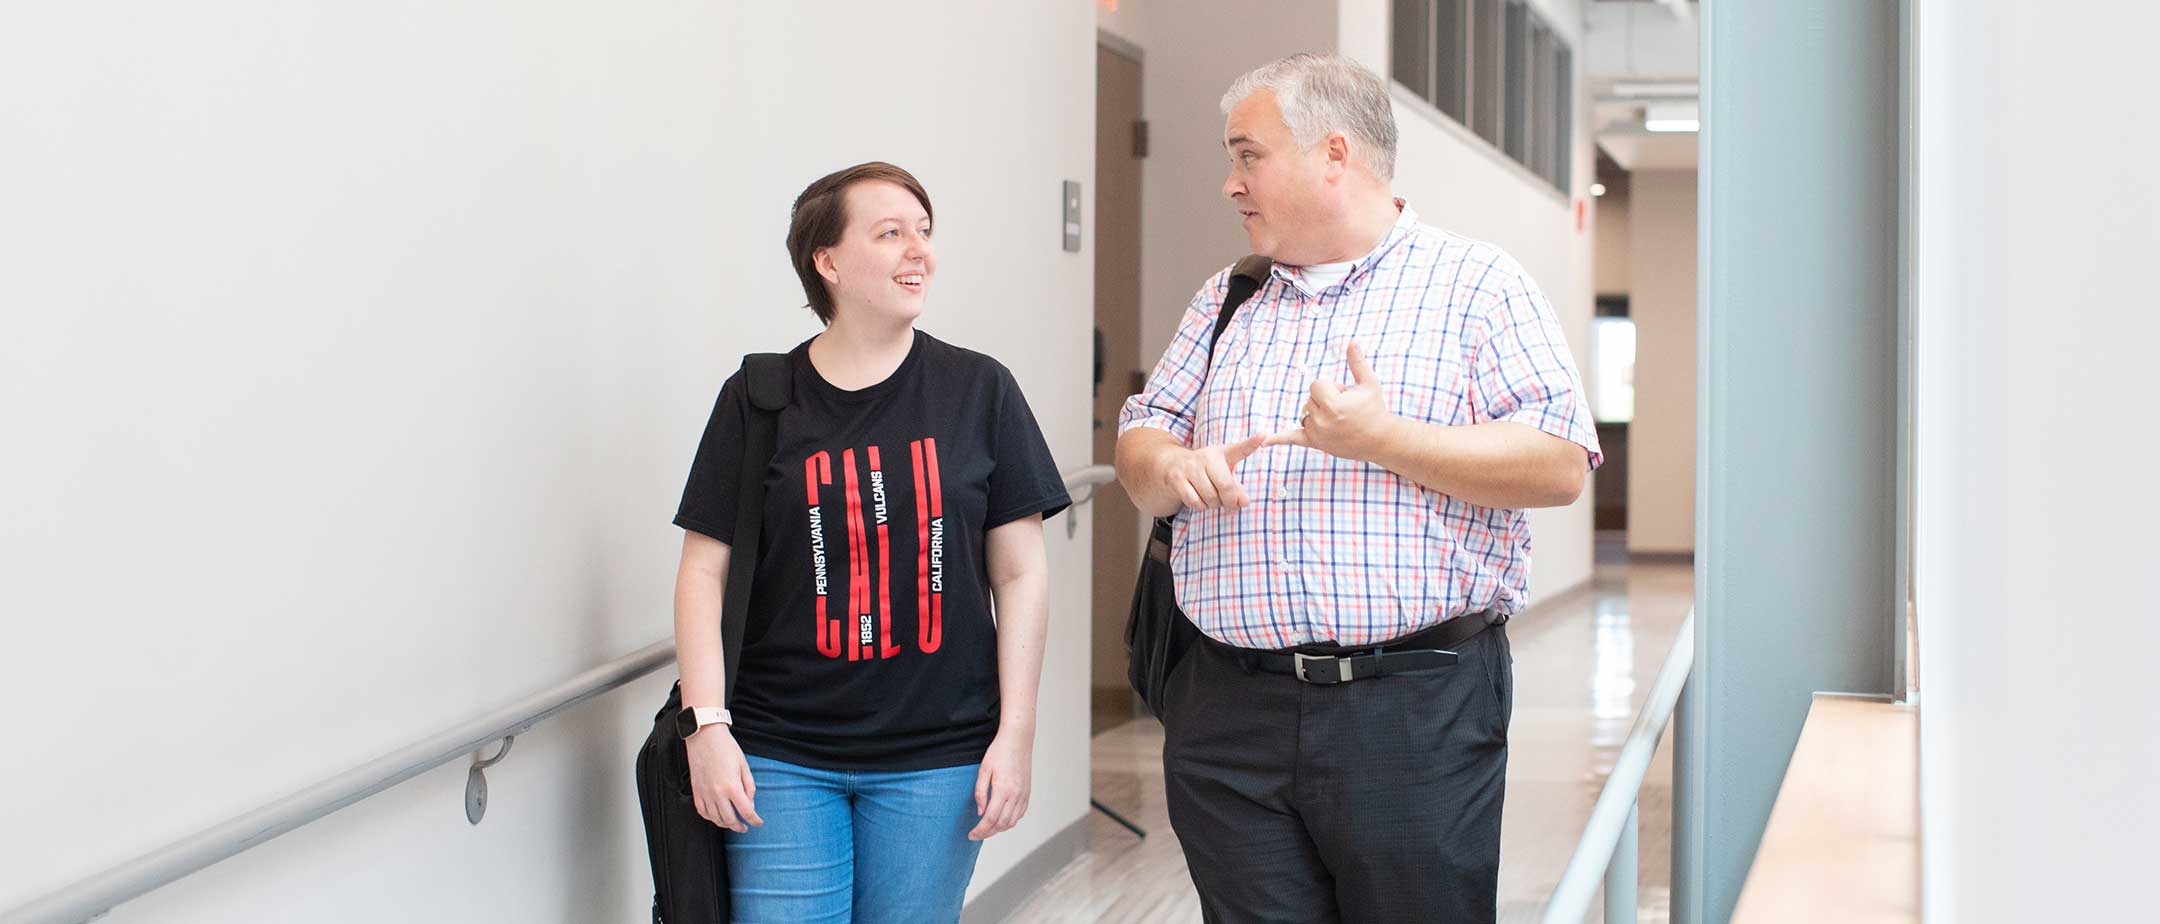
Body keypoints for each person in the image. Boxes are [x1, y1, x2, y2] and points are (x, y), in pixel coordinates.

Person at [1114, 55, 1601, 923]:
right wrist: (1167, 467)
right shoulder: (1229, 298)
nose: (1231, 183)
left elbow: (1560, 461)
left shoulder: (1477, 285)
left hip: (1412, 710)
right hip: (1227, 708)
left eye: (1247, 155)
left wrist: (1382, 440)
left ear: (1333, 153)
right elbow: (1144, 432)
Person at [670, 161, 1070, 922]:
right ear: (827, 260)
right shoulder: (758, 400)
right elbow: (702, 573)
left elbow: (1020, 575)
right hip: (779, 754)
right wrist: (707, 728)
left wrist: (1015, 735)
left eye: (924, 232)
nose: (918, 250)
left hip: (938, 758)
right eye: (891, 233)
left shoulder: (979, 390)